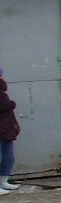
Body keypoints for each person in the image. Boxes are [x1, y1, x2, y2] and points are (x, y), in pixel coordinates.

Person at [0, 66, 21, 195]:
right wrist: (11, 104)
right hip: (2, 128)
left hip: (5, 129)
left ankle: (3, 181)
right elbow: (4, 105)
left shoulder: (2, 90)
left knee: (8, 157)